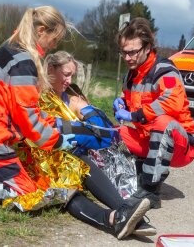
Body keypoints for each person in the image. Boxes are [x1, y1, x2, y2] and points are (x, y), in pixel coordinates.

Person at [0, 6, 151, 240]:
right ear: (42, 31)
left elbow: (28, 115)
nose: (54, 46)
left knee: (48, 178)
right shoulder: (24, 63)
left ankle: (121, 214)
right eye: (55, 39)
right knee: (34, 193)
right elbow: (34, 130)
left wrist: (71, 129)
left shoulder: (9, 49)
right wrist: (67, 139)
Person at [43, 50, 156, 236]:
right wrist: (80, 129)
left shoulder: (71, 96)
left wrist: (84, 109)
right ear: (51, 69)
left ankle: (126, 213)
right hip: (47, 157)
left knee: (87, 158)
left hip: (73, 154)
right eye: (66, 74)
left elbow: (103, 134)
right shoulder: (39, 94)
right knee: (78, 168)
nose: (70, 80)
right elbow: (47, 130)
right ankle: (122, 214)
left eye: (72, 75)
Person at [113, 17, 194, 209]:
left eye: (133, 52)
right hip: (148, 140)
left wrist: (134, 116)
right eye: (124, 53)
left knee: (162, 123)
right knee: (112, 132)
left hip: (179, 146)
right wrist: (121, 105)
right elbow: (130, 103)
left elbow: (172, 103)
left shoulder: (164, 70)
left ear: (147, 47)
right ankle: (128, 173)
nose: (128, 58)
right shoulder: (132, 74)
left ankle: (150, 191)